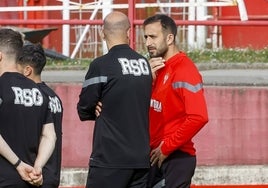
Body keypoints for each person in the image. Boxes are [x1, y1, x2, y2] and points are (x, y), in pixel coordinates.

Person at [77, 11, 152, 188]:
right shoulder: (144, 63)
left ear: (103, 33)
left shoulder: (101, 65)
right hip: (140, 158)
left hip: (109, 159)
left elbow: (84, 107)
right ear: (129, 32)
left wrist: (95, 108)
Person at [143, 14, 209, 188]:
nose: (148, 42)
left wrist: (166, 148)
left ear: (170, 38)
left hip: (176, 157)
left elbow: (198, 117)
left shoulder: (185, 70)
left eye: (153, 37)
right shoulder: (155, 69)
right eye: (146, 37)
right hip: (154, 156)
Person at [0, 28, 56, 187]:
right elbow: (49, 136)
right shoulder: (38, 91)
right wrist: (38, 167)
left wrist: (18, 164)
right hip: (31, 179)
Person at [16, 43, 63, 188]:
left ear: (27, 70)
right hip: (52, 173)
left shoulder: (32, 98)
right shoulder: (54, 97)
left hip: (36, 175)